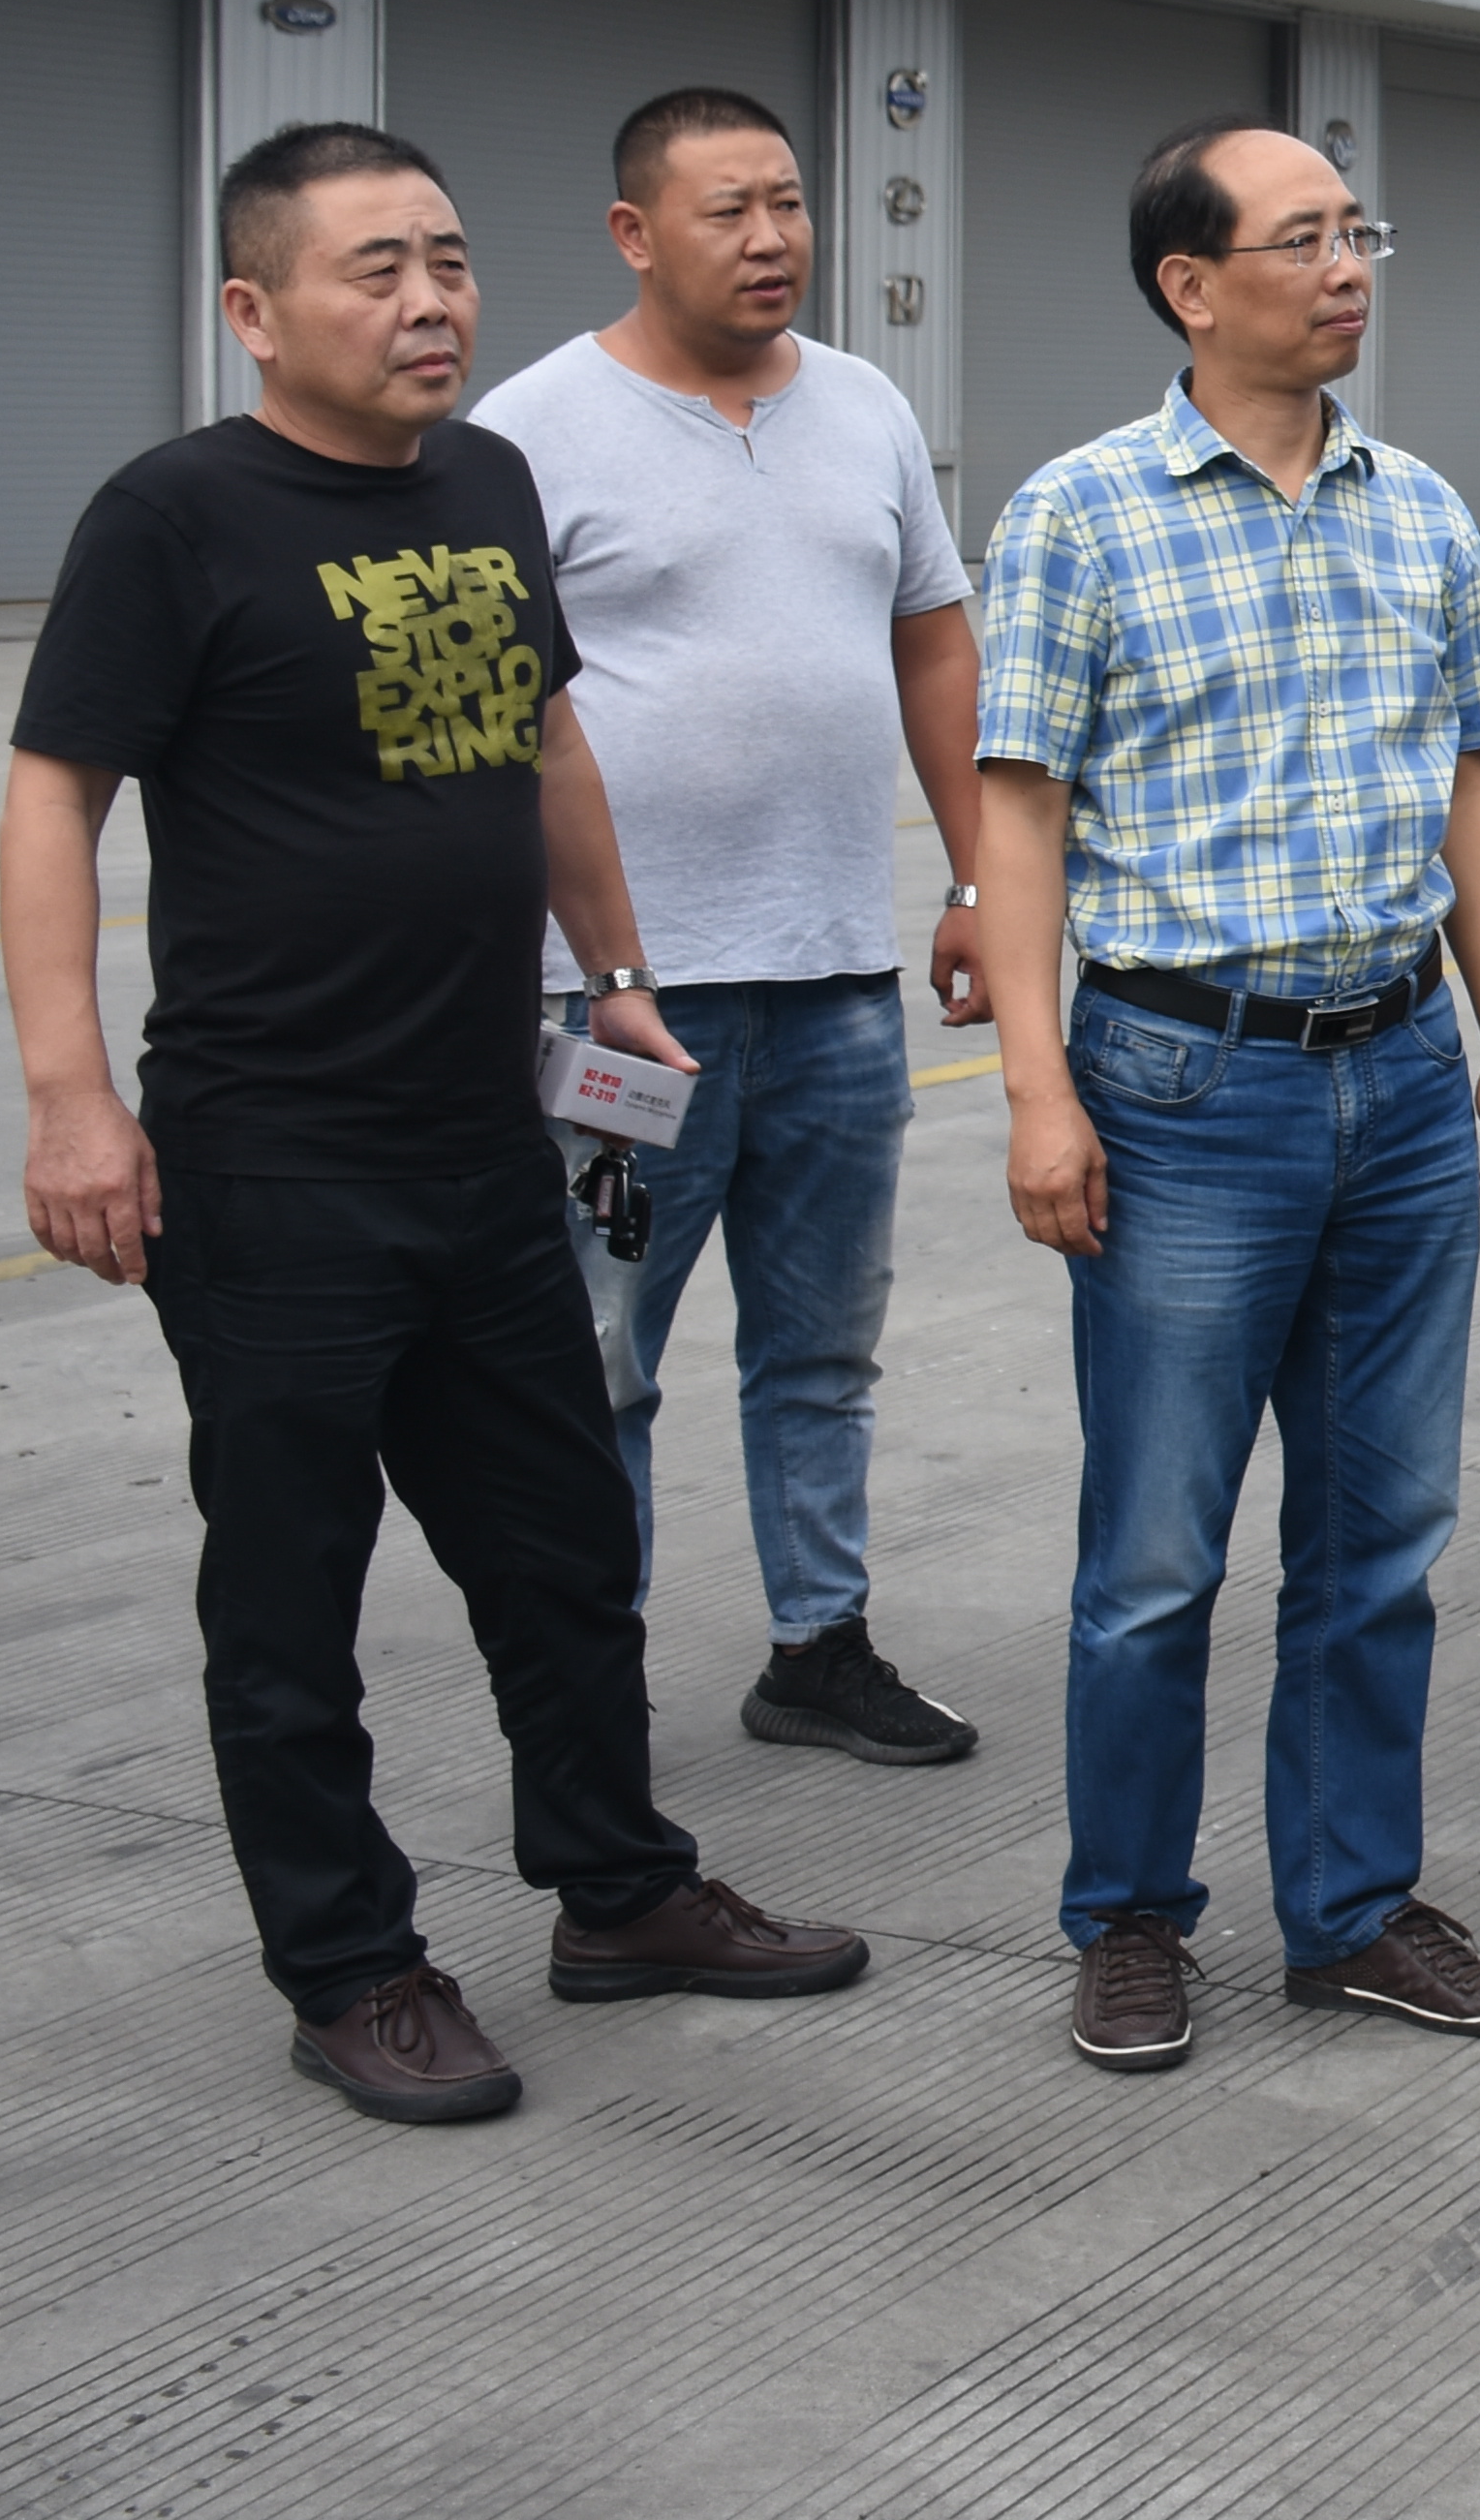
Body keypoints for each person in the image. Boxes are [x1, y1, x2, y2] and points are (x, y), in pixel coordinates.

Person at [0, 122, 872, 2130]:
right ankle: (351, 1965)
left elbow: (548, 733)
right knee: (291, 1599)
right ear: (256, 309)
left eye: (450, 262)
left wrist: (618, 966)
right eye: (375, 269)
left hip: (486, 1137)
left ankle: (619, 1889)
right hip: (272, 1161)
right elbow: (56, 796)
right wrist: (71, 1098)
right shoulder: (174, 515)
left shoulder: (487, 481)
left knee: (561, 1552)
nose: (429, 303)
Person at [974, 124, 1480, 2074]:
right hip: (1182, 1087)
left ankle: (1353, 1909)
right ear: (1189, 283)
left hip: (1399, 1070)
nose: (1347, 267)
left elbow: (1469, 782)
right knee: (1158, 1552)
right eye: (1301, 237)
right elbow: (1019, 810)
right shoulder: (1080, 515)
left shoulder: (1423, 512)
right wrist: (1037, 1088)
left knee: (1382, 1533)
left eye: (1354, 231)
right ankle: (1132, 1916)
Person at [478, 85, 991, 1770]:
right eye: (730, 211)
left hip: (835, 985)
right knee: (598, 1355)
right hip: (621, 1014)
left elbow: (933, 639)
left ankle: (817, 1646)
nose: (774, 239)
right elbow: (493, 715)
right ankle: (590, 1679)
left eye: (790, 203)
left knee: (824, 1347)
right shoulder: (527, 431)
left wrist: (976, 877)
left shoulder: (865, 406)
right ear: (635, 232)